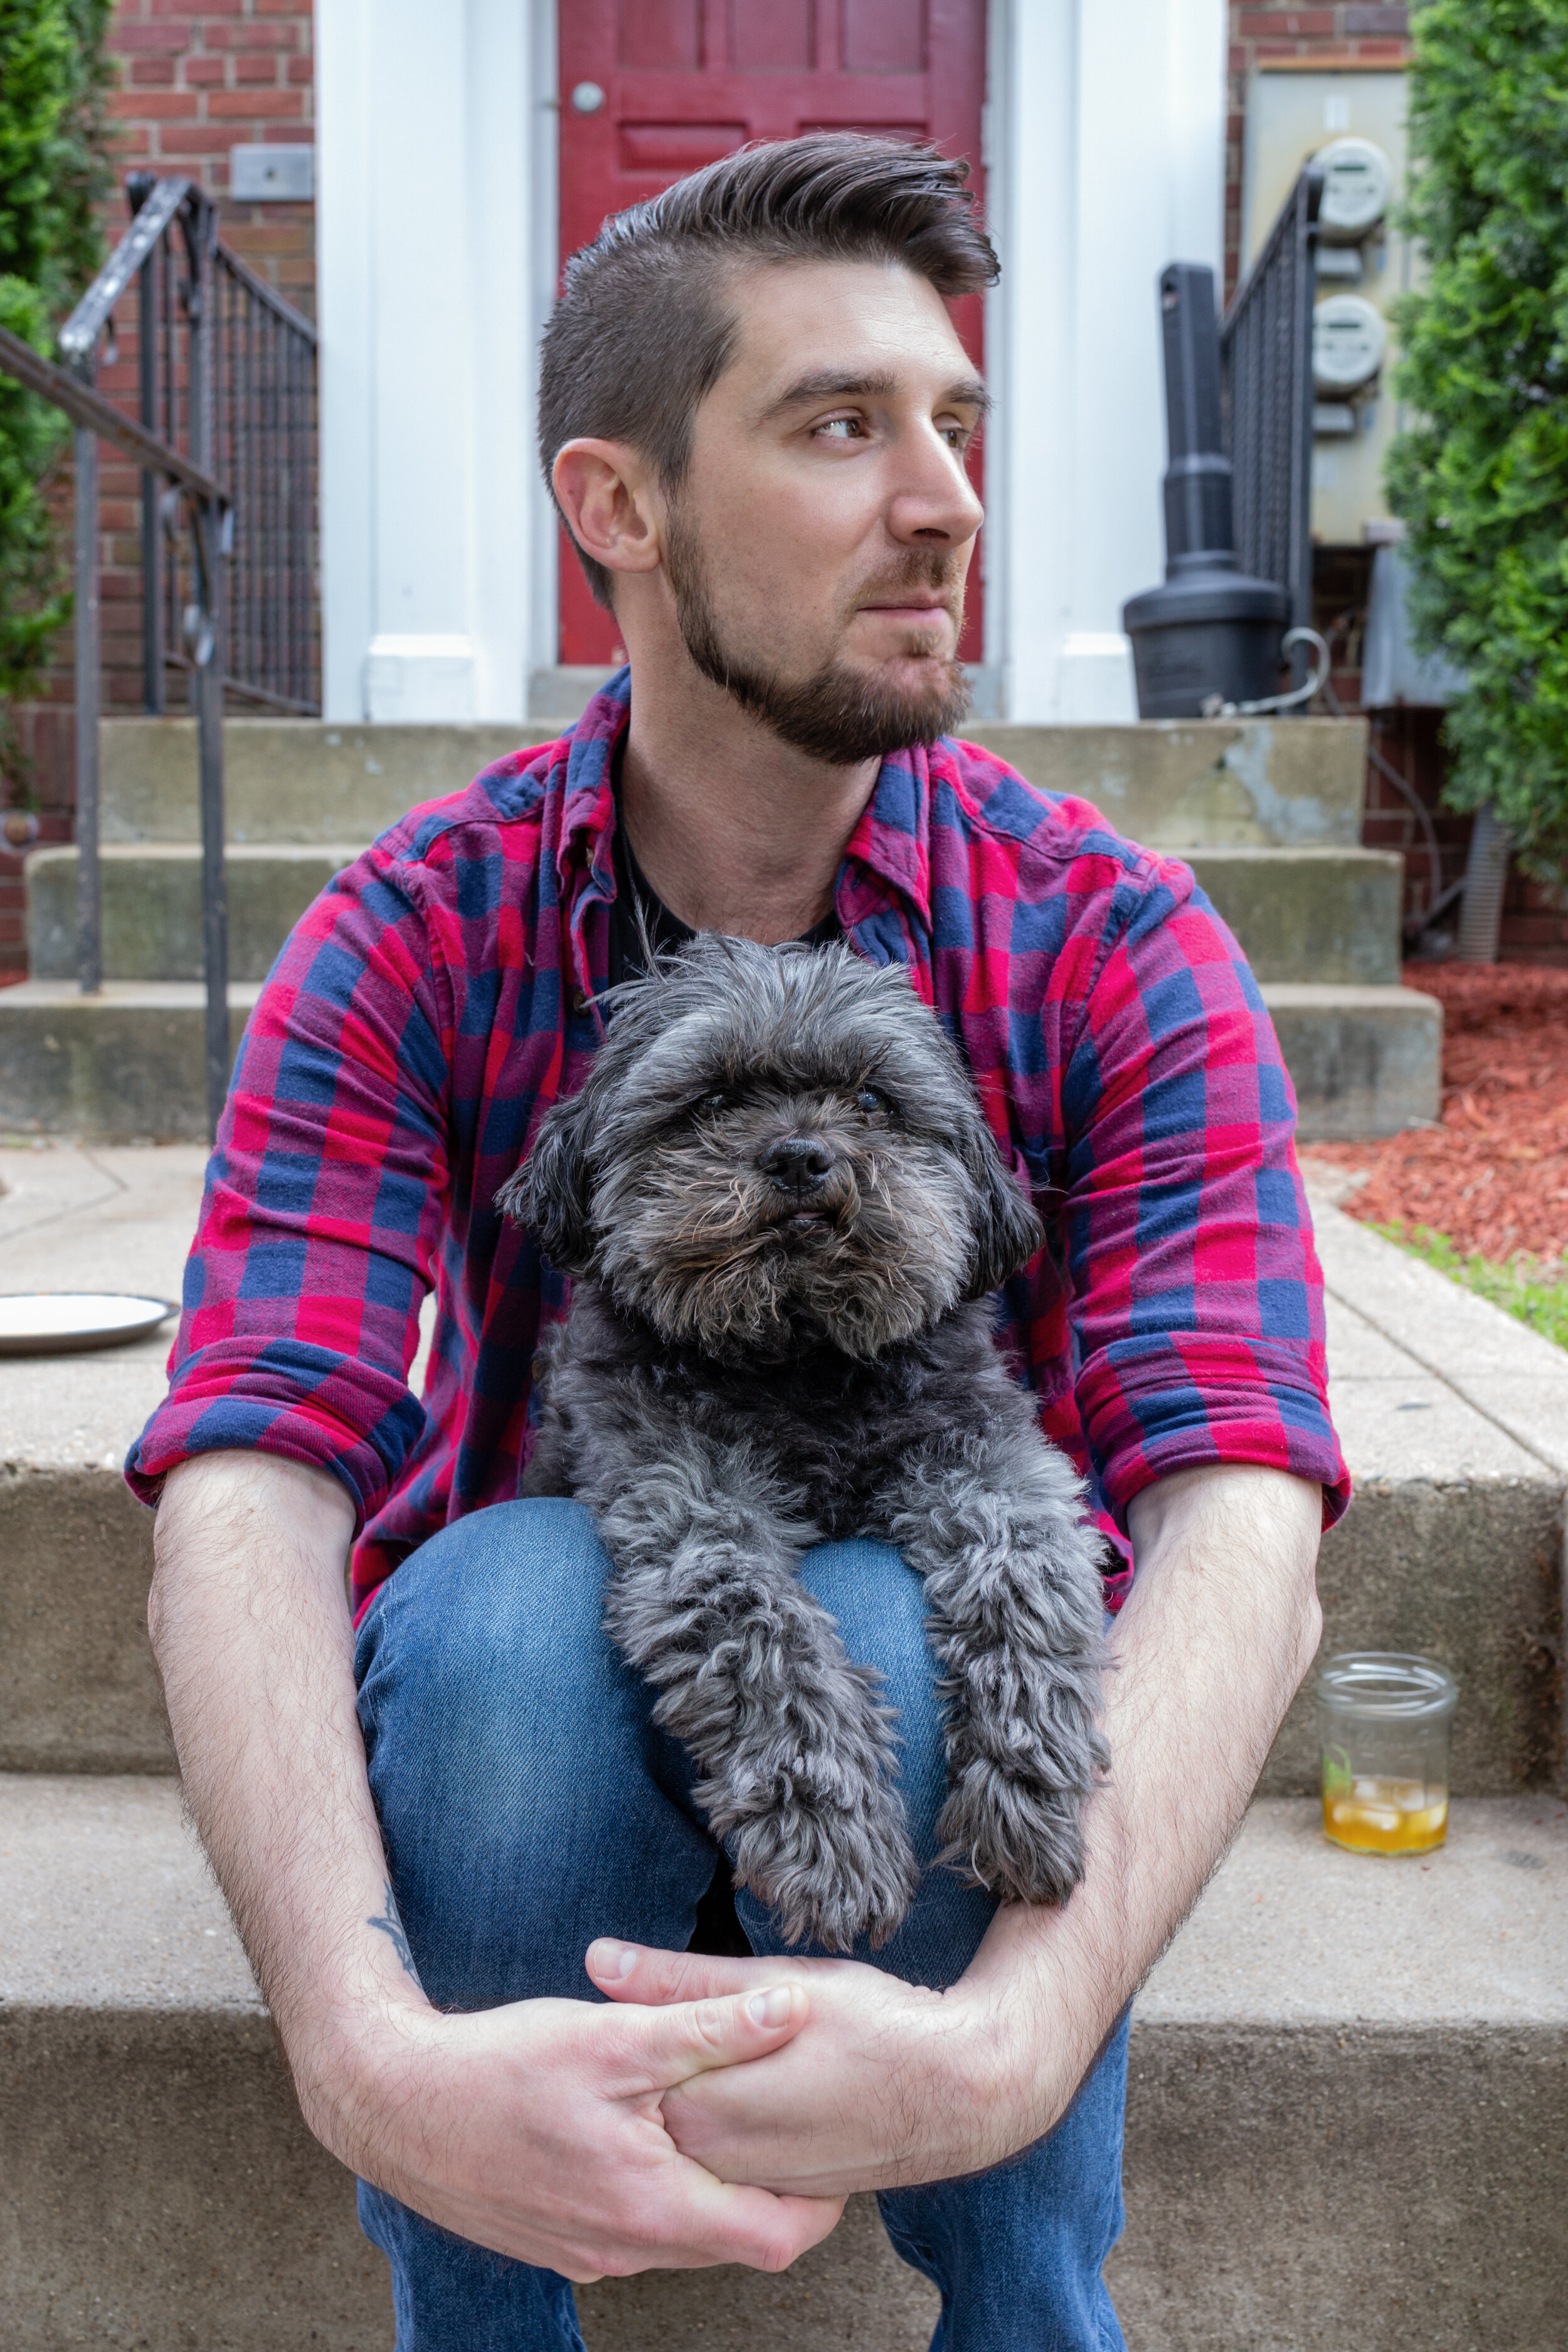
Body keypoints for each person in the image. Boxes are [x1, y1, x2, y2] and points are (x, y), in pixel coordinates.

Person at [132, 135, 1348, 2349]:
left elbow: (1239, 1487)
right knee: (502, 1616)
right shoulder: (412, 929)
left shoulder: (1108, 938)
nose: (947, 503)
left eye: (954, 426)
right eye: (838, 426)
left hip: (928, 1741)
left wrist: (1012, 2034)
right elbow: (248, 1462)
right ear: (619, 507)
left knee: (932, 1623)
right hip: (544, 1739)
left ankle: (1024, 2314)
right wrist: (355, 2043)